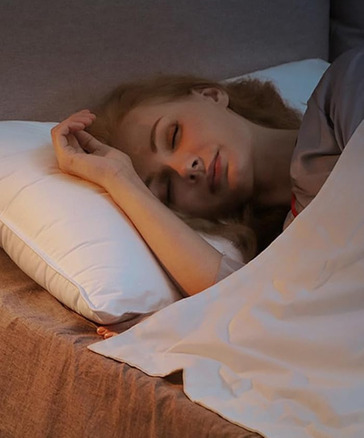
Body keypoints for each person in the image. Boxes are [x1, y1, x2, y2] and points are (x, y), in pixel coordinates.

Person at [52, 48, 364, 337]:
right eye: (167, 189)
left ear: (211, 95)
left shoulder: (344, 89)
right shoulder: (281, 259)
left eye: (173, 136)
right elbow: (238, 305)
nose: (186, 168)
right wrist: (119, 178)